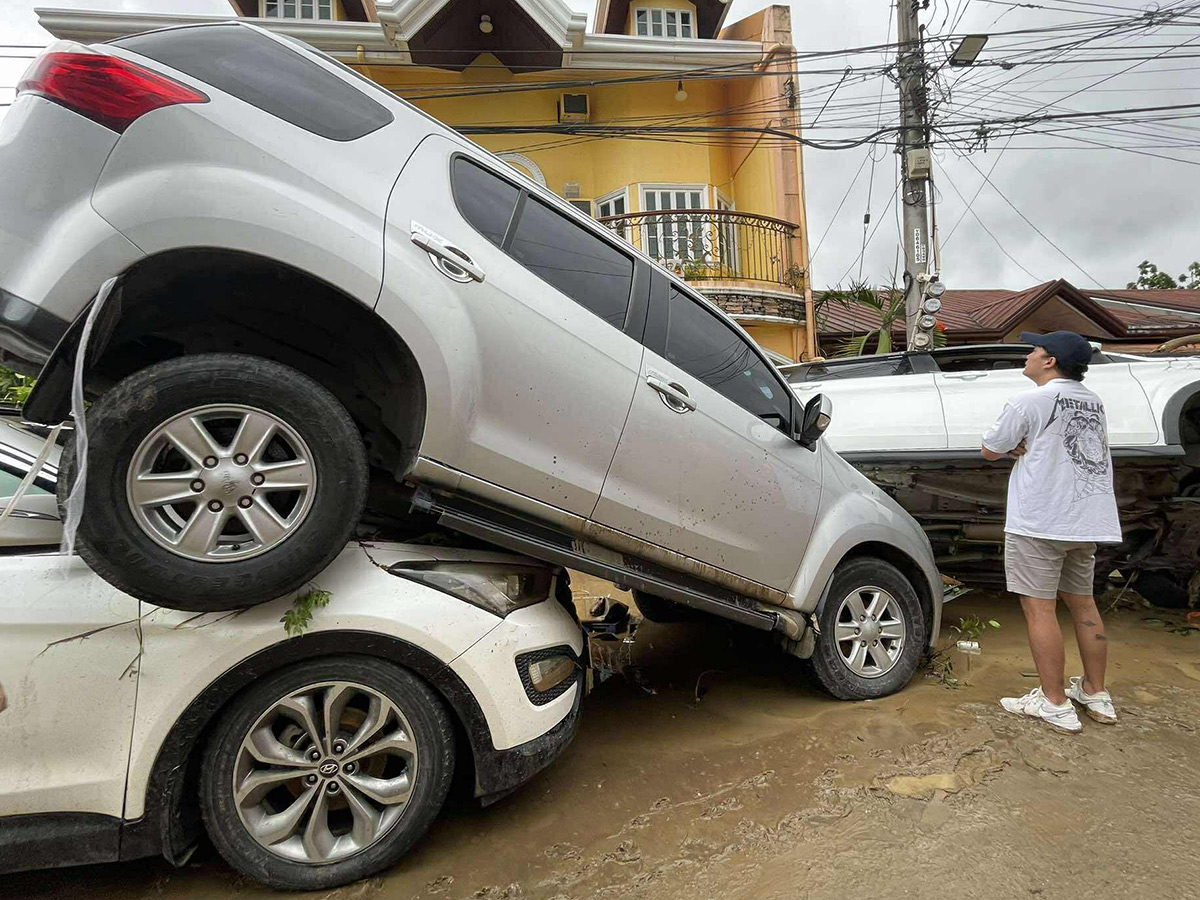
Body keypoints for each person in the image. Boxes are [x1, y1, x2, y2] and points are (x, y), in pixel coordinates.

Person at [981, 331, 1120, 734]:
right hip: (1085, 519)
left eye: (1034, 350)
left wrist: (1012, 447)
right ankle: (1095, 692)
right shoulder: (1093, 401)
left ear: (1050, 361)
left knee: (1039, 609)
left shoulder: (1029, 400)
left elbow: (990, 449)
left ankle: (1054, 702)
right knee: (1084, 605)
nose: (1028, 355)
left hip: (1040, 520)